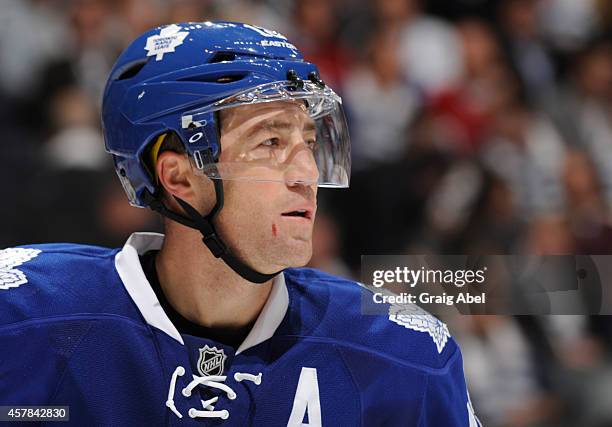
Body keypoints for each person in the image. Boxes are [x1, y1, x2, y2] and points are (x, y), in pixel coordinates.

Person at [0, 22, 479, 426]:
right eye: (270, 142)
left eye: (308, 143)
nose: (306, 174)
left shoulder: (402, 356)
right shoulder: (22, 318)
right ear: (179, 177)